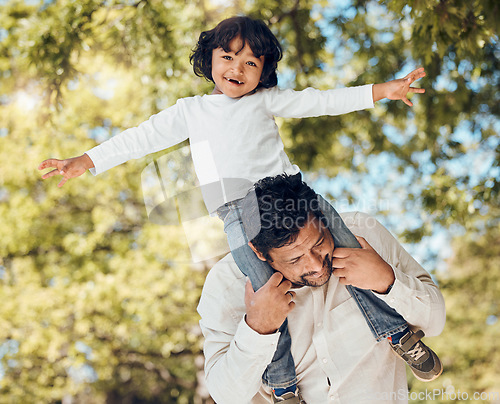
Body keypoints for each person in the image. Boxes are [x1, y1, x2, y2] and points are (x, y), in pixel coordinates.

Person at [37, 16, 432, 400]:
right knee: (265, 292)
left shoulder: (265, 101)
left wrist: (384, 90)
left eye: (251, 63)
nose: (237, 69)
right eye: (227, 57)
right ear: (208, 58)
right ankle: (283, 384)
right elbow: (141, 138)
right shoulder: (190, 111)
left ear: (263, 72)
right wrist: (86, 161)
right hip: (237, 213)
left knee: (348, 252)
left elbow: (322, 101)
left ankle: (397, 333)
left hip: (293, 197)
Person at [197, 173, 446, 404]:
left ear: (324, 221)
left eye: (318, 243)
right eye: (295, 260)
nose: (316, 265)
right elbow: (225, 395)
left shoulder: (361, 233)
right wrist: (258, 329)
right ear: (259, 252)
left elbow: (435, 321)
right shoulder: (226, 285)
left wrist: (386, 281)